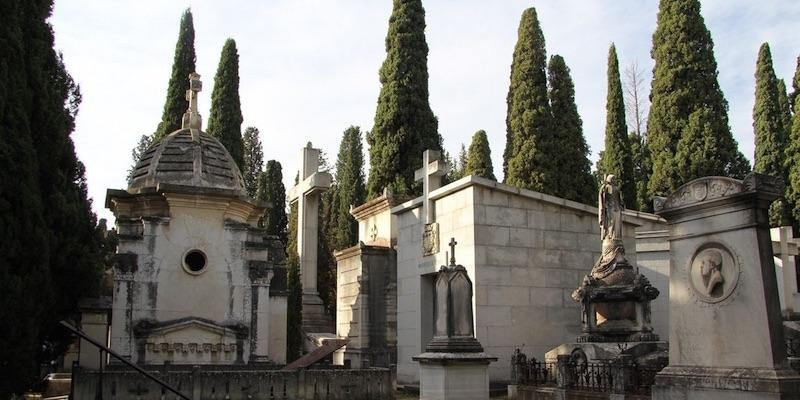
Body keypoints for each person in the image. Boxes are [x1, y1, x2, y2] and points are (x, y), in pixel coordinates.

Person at [598, 175, 624, 242]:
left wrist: (621, 205)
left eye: (615, 179)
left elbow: (620, 198)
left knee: (617, 223)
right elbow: (602, 195)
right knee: (611, 222)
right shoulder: (606, 187)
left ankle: (617, 235)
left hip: (617, 208)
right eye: (613, 179)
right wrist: (602, 189)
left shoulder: (617, 188)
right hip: (610, 207)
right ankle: (610, 234)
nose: (614, 180)